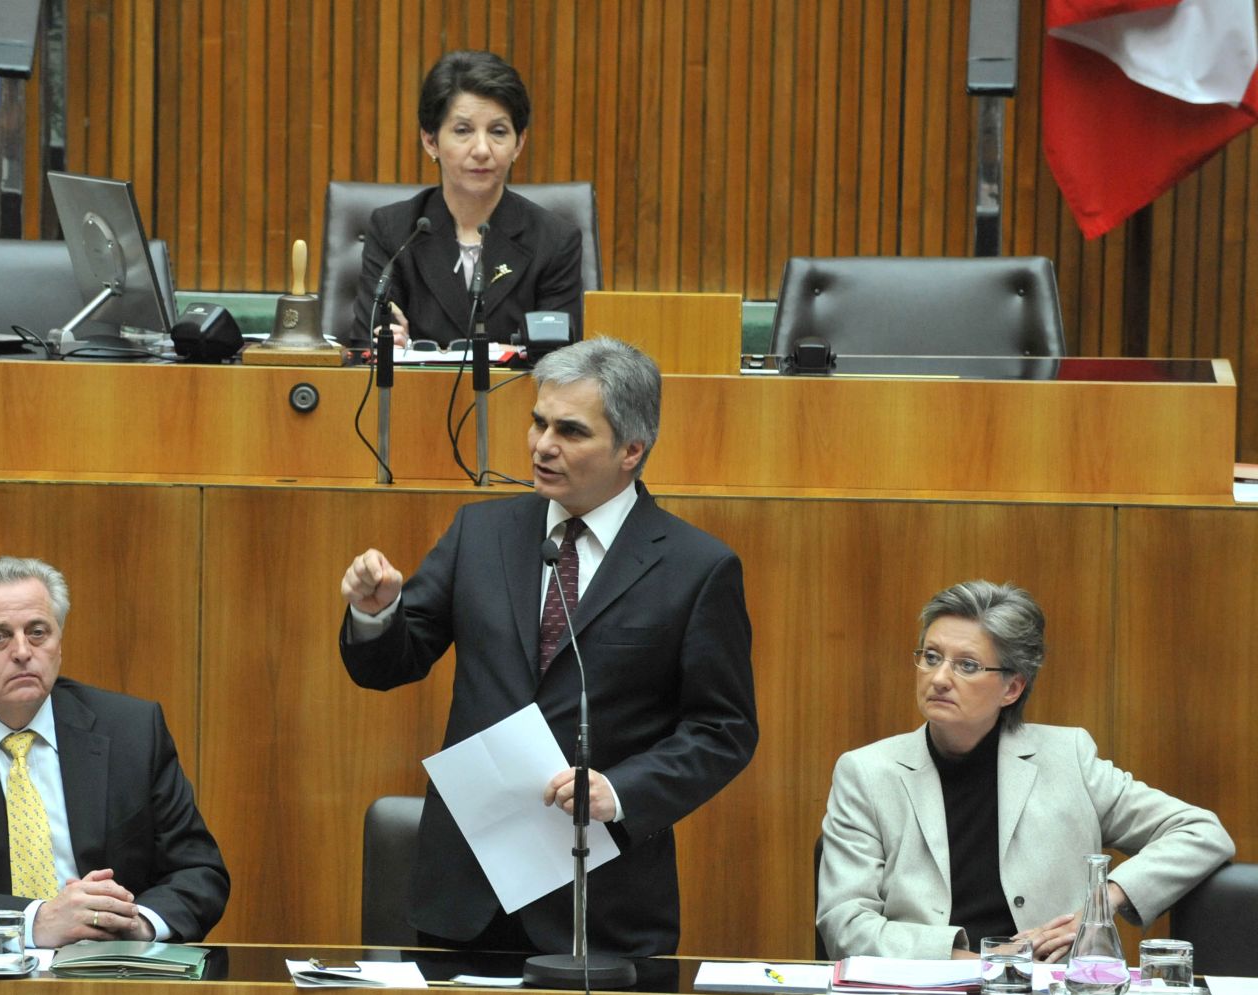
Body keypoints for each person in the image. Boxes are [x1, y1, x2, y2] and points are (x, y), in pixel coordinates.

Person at [338, 337, 757, 957]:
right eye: (538, 422)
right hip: (465, 893)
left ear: (631, 450)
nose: (542, 446)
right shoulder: (481, 532)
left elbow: (723, 729)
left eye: (570, 430)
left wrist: (622, 791)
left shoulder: (696, 568)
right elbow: (393, 663)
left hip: (601, 899)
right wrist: (376, 615)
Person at [818, 580, 1234, 961]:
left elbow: (1200, 832)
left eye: (966, 665)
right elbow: (845, 924)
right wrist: (981, 964)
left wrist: (1104, 900)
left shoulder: (1067, 757)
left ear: (1012, 688)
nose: (939, 678)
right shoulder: (867, 773)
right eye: (931, 657)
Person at [0, 556, 228, 955]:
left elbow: (199, 872)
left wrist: (138, 923)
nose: (22, 651)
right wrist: (36, 920)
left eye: (37, 632)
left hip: (115, 971)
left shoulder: (132, 731)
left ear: (59, 642)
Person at [348, 49, 584, 351]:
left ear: (519, 143)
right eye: (463, 131)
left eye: (498, 132)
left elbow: (562, 362)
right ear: (430, 140)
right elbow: (363, 347)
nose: (482, 149)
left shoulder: (554, 241)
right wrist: (383, 341)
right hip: (415, 397)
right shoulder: (394, 232)